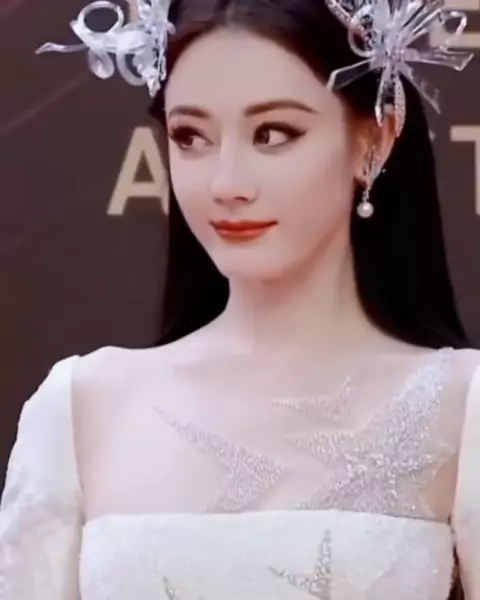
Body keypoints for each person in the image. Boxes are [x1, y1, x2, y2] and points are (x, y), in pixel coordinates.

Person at [0, 0, 478, 598]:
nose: (226, 183)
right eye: (190, 137)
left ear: (374, 140)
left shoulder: (461, 404)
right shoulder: (85, 405)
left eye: (273, 134)